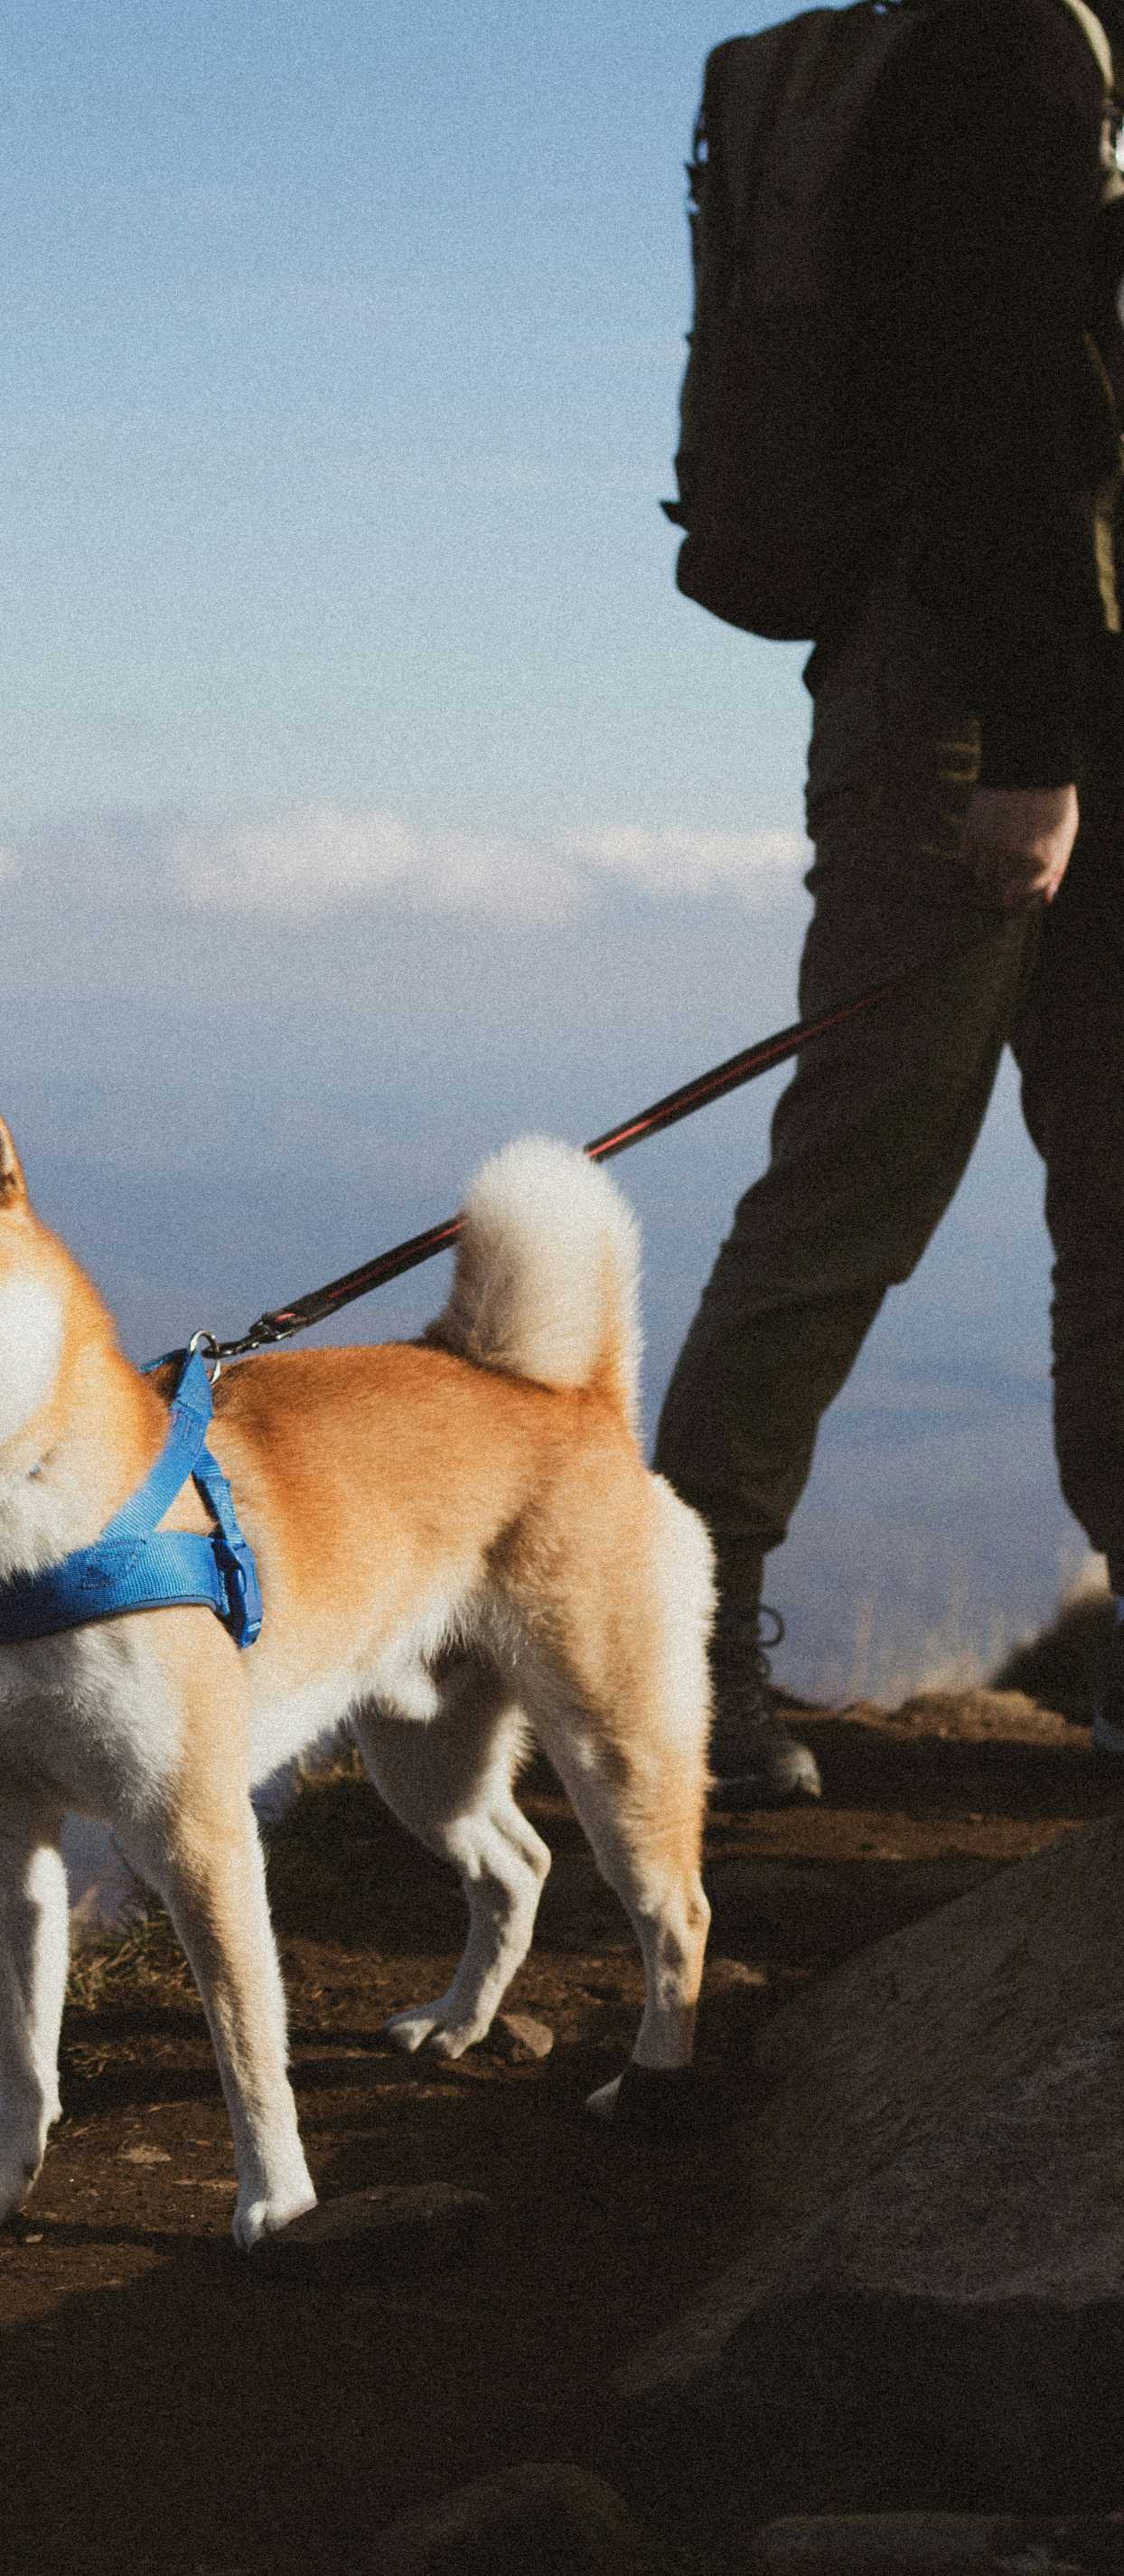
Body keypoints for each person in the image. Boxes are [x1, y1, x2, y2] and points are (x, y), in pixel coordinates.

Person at [654, 0, 1124, 1806]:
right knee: (862, 1171)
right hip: (972, 710)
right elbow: (998, 405)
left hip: (1058, 699)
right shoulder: (1004, 52)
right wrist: (1022, 744)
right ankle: (679, 1627)